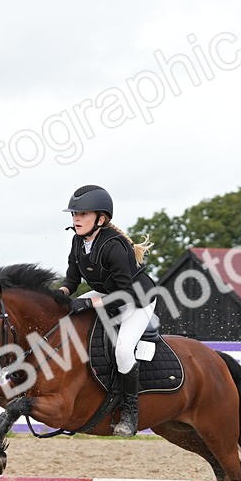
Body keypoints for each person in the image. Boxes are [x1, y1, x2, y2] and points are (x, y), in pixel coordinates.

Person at [57, 184, 156, 437]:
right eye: (74, 215)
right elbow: (71, 282)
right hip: (107, 294)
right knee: (68, 318)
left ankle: (130, 413)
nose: (76, 219)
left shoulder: (114, 246)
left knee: (123, 349)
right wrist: (57, 297)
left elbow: (125, 295)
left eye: (83, 215)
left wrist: (89, 303)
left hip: (138, 299)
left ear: (101, 219)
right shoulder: (78, 242)